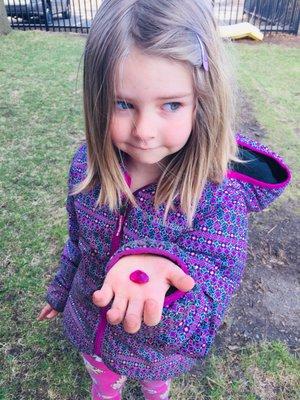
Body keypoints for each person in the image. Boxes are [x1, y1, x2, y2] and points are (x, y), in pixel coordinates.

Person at [37, 0, 291, 399]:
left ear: (202, 101)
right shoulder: (87, 167)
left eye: (171, 105)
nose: (144, 131)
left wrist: (163, 268)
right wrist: (59, 291)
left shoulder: (218, 198)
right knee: (103, 384)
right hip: (92, 333)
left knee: (155, 387)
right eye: (123, 104)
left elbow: (210, 298)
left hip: (158, 354)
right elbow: (77, 244)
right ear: (97, 98)